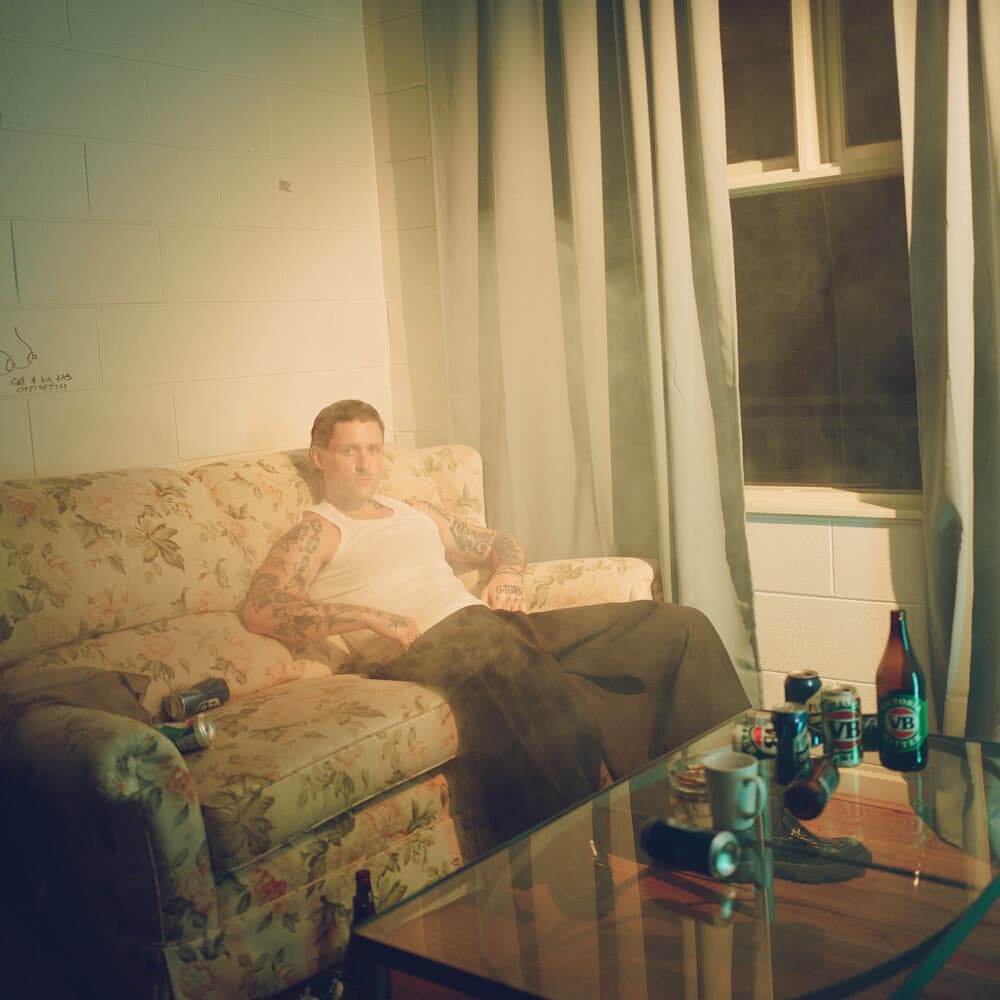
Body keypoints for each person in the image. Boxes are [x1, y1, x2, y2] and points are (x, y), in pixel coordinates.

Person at [241, 399, 751, 844]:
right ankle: (589, 852)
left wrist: (508, 573)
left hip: (488, 626)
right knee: (550, 705)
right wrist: (366, 616)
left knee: (676, 629)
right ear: (319, 457)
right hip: (429, 646)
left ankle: (743, 806)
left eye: (373, 449)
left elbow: (499, 543)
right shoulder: (319, 530)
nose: (364, 464)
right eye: (349, 450)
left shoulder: (413, 511)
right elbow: (263, 609)